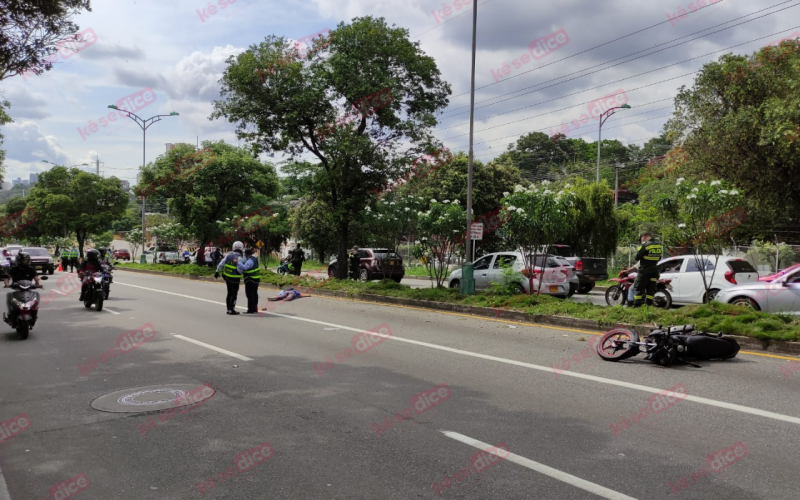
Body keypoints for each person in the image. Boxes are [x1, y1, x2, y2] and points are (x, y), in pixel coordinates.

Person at [631, 231, 663, 308]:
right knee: (650, 289)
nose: (641, 240)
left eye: (641, 238)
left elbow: (636, 257)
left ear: (644, 236)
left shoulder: (644, 245)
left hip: (644, 271)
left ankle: (637, 306)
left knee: (638, 287)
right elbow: (658, 258)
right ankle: (648, 306)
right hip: (654, 271)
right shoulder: (658, 245)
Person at [215, 241, 244, 315]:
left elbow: (221, 264)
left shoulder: (228, 255)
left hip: (227, 278)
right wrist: (242, 271)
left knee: (229, 293)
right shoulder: (240, 257)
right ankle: (232, 309)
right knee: (234, 294)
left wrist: (217, 271)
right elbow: (239, 270)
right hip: (235, 279)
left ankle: (228, 309)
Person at [238, 248, 260, 314]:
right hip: (256, 279)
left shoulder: (250, 260)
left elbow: (245, 267)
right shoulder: (255, 259)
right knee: (254, 294)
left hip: (250, 280)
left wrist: (238, 263)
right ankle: (255, 308)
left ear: (246, 254)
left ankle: (250, 309)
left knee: (250, 295)